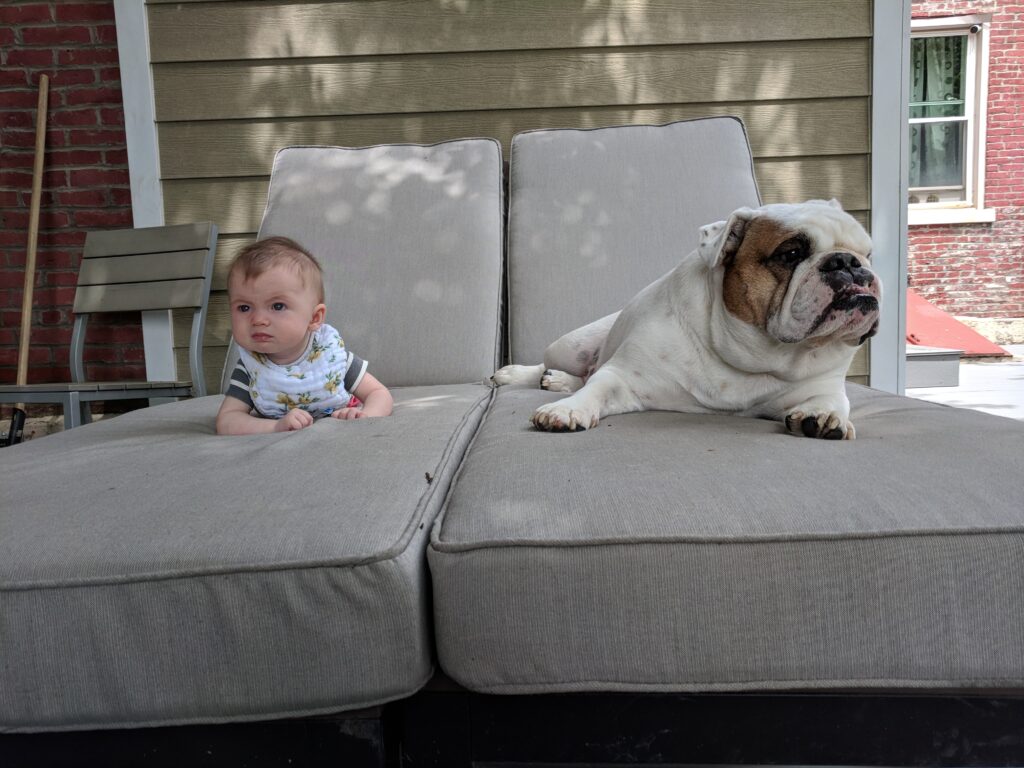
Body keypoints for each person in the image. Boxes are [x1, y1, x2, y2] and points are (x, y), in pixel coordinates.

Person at [216, 236, 393, 435]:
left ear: (314, 317)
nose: (258, 319)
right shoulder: (251, 368)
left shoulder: (330, 355)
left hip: (340, 433)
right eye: (244, 307)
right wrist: (275, 426)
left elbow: (379, 393)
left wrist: (365, 416)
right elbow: (227, 421)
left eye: (277, 306)